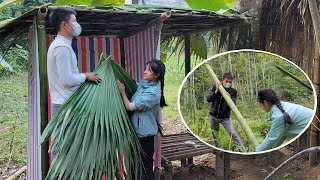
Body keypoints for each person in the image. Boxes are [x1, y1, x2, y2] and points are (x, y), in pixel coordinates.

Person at [47, 8, 101, 157]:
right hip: (65, 105)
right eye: (75, 21)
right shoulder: (61, 47)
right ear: (65, 25)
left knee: (67, 148)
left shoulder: (62, 45)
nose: (77, 25)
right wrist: (86, 76)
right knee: (64, 149)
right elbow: (67, 80)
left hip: (66, 104)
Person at [117, 59, 165, 180]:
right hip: (137, 132)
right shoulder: (143, 85)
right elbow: (135, 86)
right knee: (136, 166)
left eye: (149, 70)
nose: (144, 72)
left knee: (145, 168)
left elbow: (129, 107)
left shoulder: (153, 93)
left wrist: (122, 91)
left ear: (156, 75)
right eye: (146, 68)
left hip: (145, 136)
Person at [206, 72, 243, 149]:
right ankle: (217, 149)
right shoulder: (216, 87)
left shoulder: (233, 91)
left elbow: (233, 104)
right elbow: (208, 99)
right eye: (227, 81)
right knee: (215, 134)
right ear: (222, 80)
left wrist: (229, 97)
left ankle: (242, 149)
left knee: (232, 133)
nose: (228, 83)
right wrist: (215, 91)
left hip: (225, 117)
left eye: (230, 82)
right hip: (214, 115)